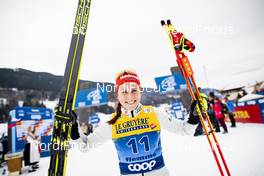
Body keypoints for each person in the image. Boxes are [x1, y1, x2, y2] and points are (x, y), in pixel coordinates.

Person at [70, 70, 199, 176]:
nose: (130, 97)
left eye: (134, 91)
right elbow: (85, 147)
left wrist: (194, 116)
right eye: (124, 92)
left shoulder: (153, 113)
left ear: (140, 91)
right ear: (118, 95)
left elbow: (185, 130)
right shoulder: (112, 123)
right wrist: (74, 129)